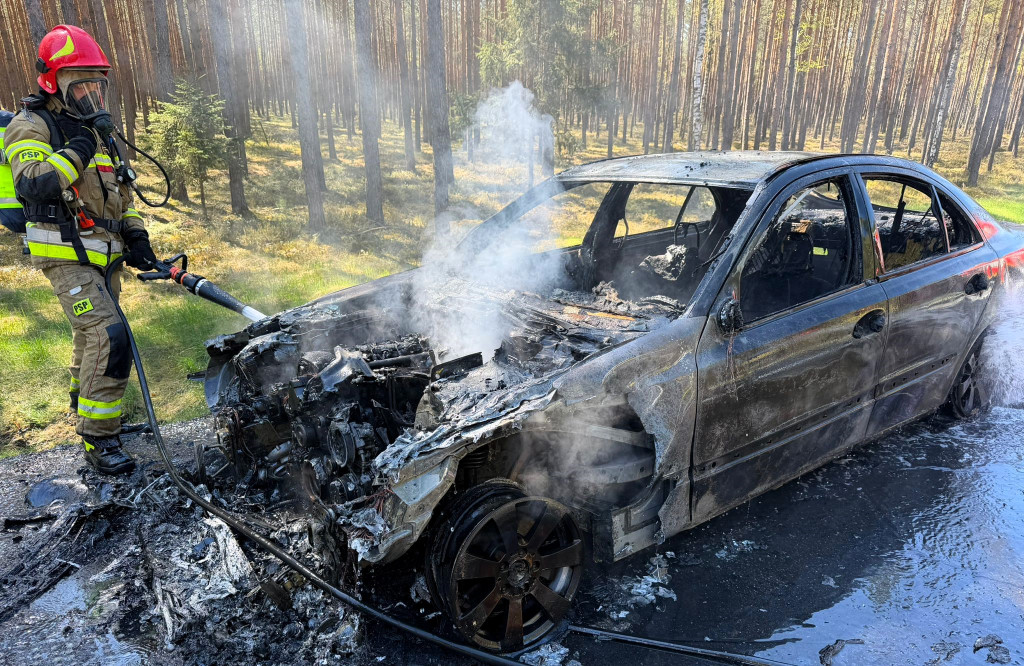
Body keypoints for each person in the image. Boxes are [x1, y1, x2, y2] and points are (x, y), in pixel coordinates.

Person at [5, 25, 157, 475]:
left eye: (97, 84)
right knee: (109, 336)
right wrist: (82, 144)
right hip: (65, 252)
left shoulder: (97, 132)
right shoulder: (33, 125)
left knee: (89, 339)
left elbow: (121, 197)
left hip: (104, 253)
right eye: (81, 84)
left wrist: (137, 237)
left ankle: (86, 407)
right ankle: (98, 439)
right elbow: (34, 182)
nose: (91, 94)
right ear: (54, 82)